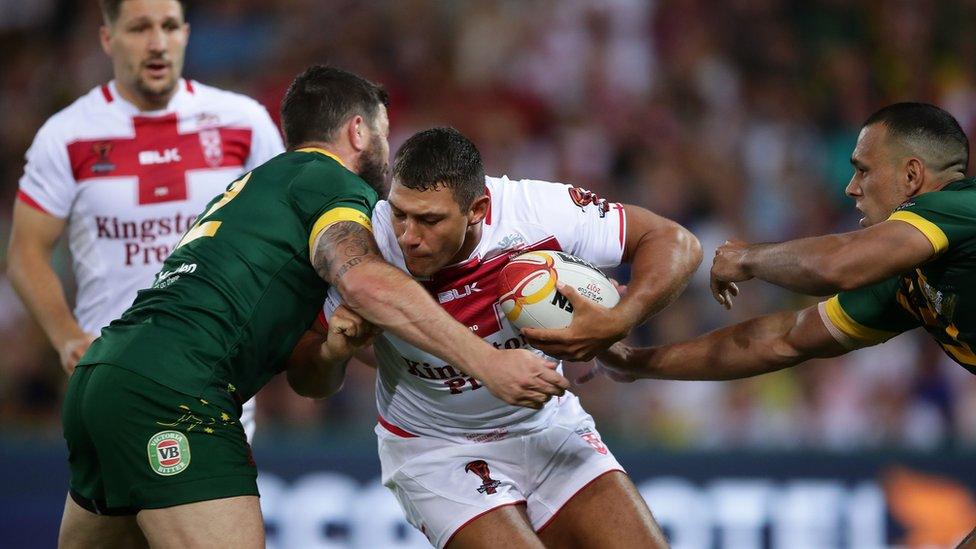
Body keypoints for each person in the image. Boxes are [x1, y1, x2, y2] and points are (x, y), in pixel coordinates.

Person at [56, 67, 567, 548]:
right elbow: (365, 279)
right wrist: (486, 362)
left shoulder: (261, 188)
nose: (388, 157)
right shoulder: (331, 183)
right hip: (175, 392)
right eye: (385, 136)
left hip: (105, 376)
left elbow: (310, 381)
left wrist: (333, 350)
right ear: (359, 131)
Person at [290, 127, 702, 548]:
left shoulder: (538, 212)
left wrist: (619, 320)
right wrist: (332, 353)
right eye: (400, 213)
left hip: (548, 427)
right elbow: (306, 381)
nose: (408, 236)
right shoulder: (368, 250)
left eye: (430, 220)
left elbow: (677, 242)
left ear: (478, 208)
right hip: (435, 450)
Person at [590, 103, 976, 547]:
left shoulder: (963, 208)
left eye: (863, 171)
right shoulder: (906, 282)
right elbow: (783, 340)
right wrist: (637, 363)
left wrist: (748, 257)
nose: (851, 188)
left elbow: (839, 264)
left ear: (911, 177)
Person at [7, 0, 282, 443]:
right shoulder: (67, 135)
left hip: (216, 377)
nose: (157, 44)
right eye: (139, 29)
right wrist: (66, 338)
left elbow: (285, 232)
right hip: (112, 379)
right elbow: (25, 252)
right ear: (107, 38)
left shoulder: (244, 123)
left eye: (168, 26)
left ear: (186, 34)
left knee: (201, 510)